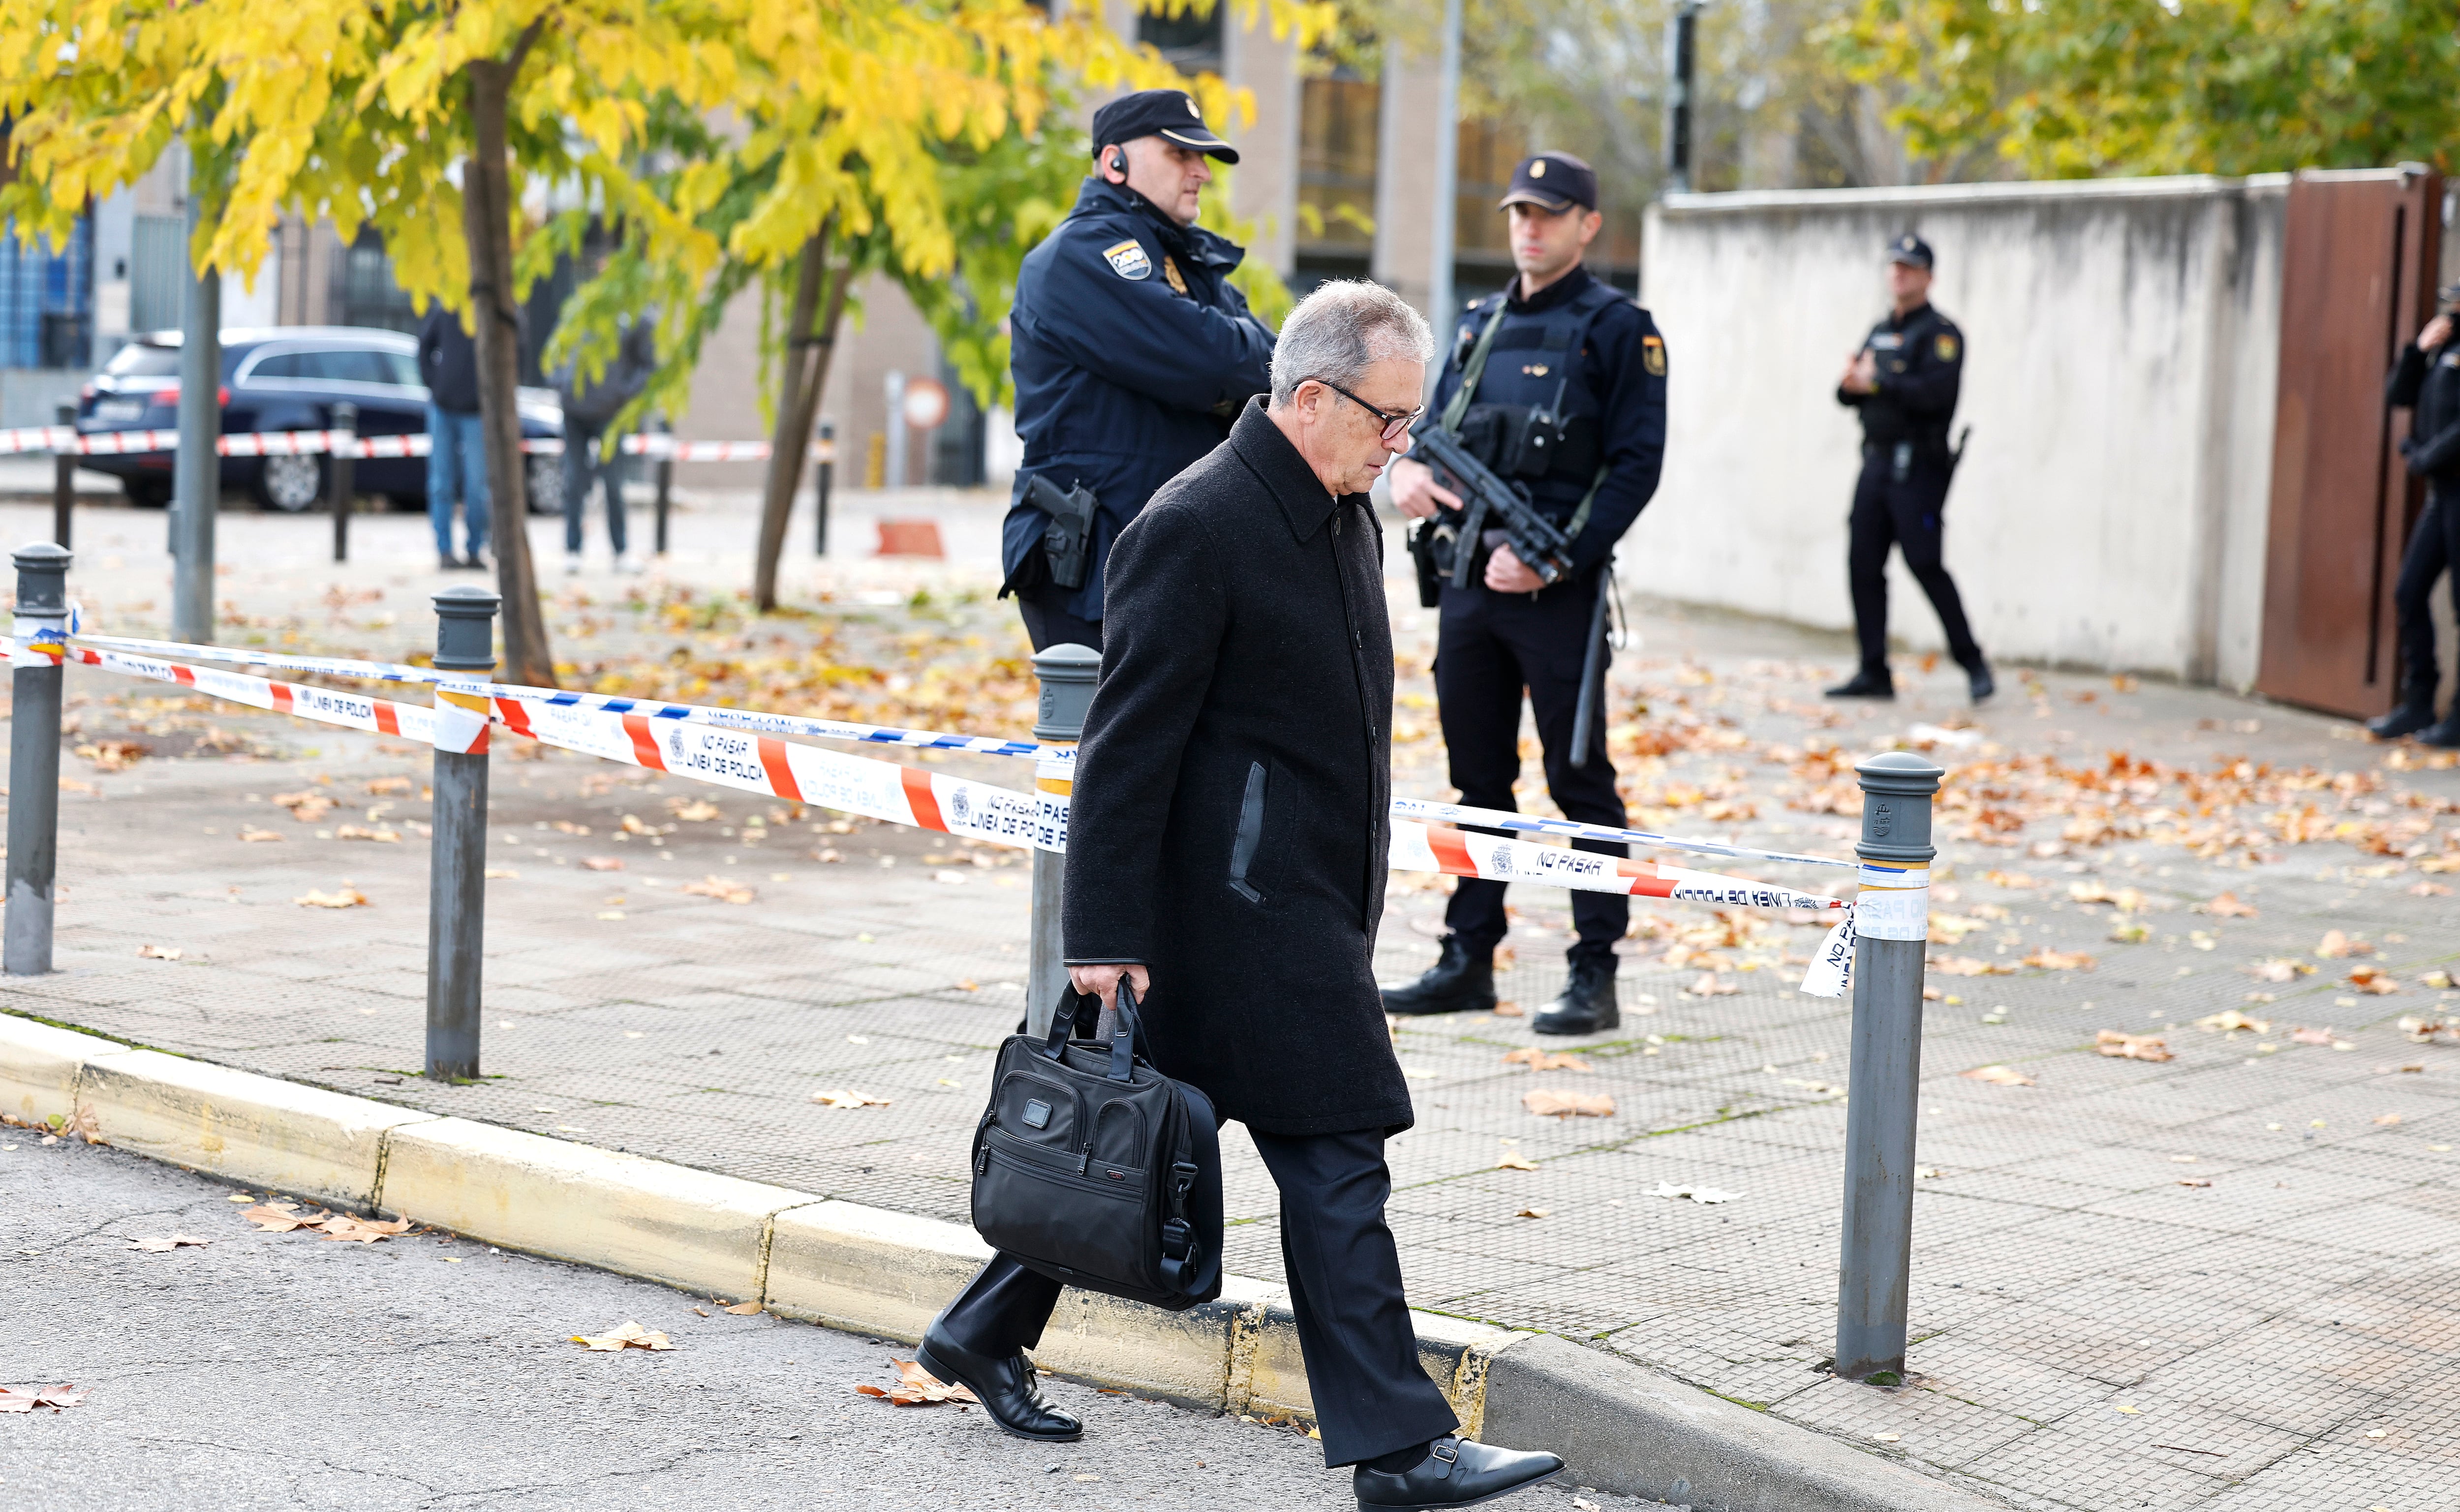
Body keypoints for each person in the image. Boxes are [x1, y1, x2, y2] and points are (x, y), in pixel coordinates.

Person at [916, 283, 1565, 1510]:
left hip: (1299, 898)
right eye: (1388, 419)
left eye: (1410, 424)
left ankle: (983, 1329)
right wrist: (1099, 933)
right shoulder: (1195, 523)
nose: (1400, 445)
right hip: (1230, 919)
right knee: (1337, 1157)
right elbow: (1124, 744)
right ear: (1309, 398)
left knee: (1149, 1142)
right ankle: (1396, 1446)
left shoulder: (1339, 510)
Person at [1378, 151, 1668, 1037]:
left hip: (1558, 591)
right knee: (1477, 778)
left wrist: (1560, 560)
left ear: (1588, 224)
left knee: (1580, 779)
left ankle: (1595, 970)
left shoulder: (1622, 330)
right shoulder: (1478, 324)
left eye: (1548, 213)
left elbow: (1636, 466)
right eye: (1518, 213)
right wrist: (1409, 475)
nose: (1529, 228)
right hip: (1469, 584)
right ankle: (1469, 957)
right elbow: (1420, 433)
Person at [998, 88, 1276, 651]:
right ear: (1114, 162)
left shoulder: (1183, 260)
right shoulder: (1077, 256)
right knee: (1101, 739)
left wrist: (1226, 362)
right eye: (1180, 154)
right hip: (1095, 566)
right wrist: (1224, 366)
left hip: (1168, 551)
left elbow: (1276, 364)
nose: (1201, 172)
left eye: (1202, 158)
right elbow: (1215, 359)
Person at [1826, 234, 1993, 704]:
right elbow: (1848, 392)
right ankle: (1873, 670)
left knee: (1924, 563)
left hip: (1917, 467)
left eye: (1910, 268)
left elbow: (1934, 395)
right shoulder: (1880, 331)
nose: (1899, 274)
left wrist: (1878, 383)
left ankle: (1973, 661)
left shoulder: (1941, 334)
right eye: (1894, 266)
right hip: (1876, 461)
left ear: (1928, 277)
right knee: (1863, 562)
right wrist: (1854, 384)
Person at [2370, 289, 2460, 747]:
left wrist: (2424, 457)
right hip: (2442, 495)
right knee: (2409, 590)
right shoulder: (2444, 346)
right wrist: (2418, 350)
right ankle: (2419, 700)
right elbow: (2399, 394)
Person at [554, 315, 657, 576]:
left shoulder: (636, 317)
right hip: (574, 411)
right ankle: (573, 550)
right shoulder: (582, 309)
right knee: (574, 481)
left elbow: (648, 365)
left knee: (613, 483)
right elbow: (555, 351)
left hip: (611, 413)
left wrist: (623, 393)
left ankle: (620, 551)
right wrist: (561, 383)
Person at [416, 304, 490, 573]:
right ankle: (445, 551)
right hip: (443, 408)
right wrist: (435, 385)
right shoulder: (446, 308)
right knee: (441, 484)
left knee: (477, 486)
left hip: (477, 411)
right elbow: (424, 347)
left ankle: (474, 550)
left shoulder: (490, 308)